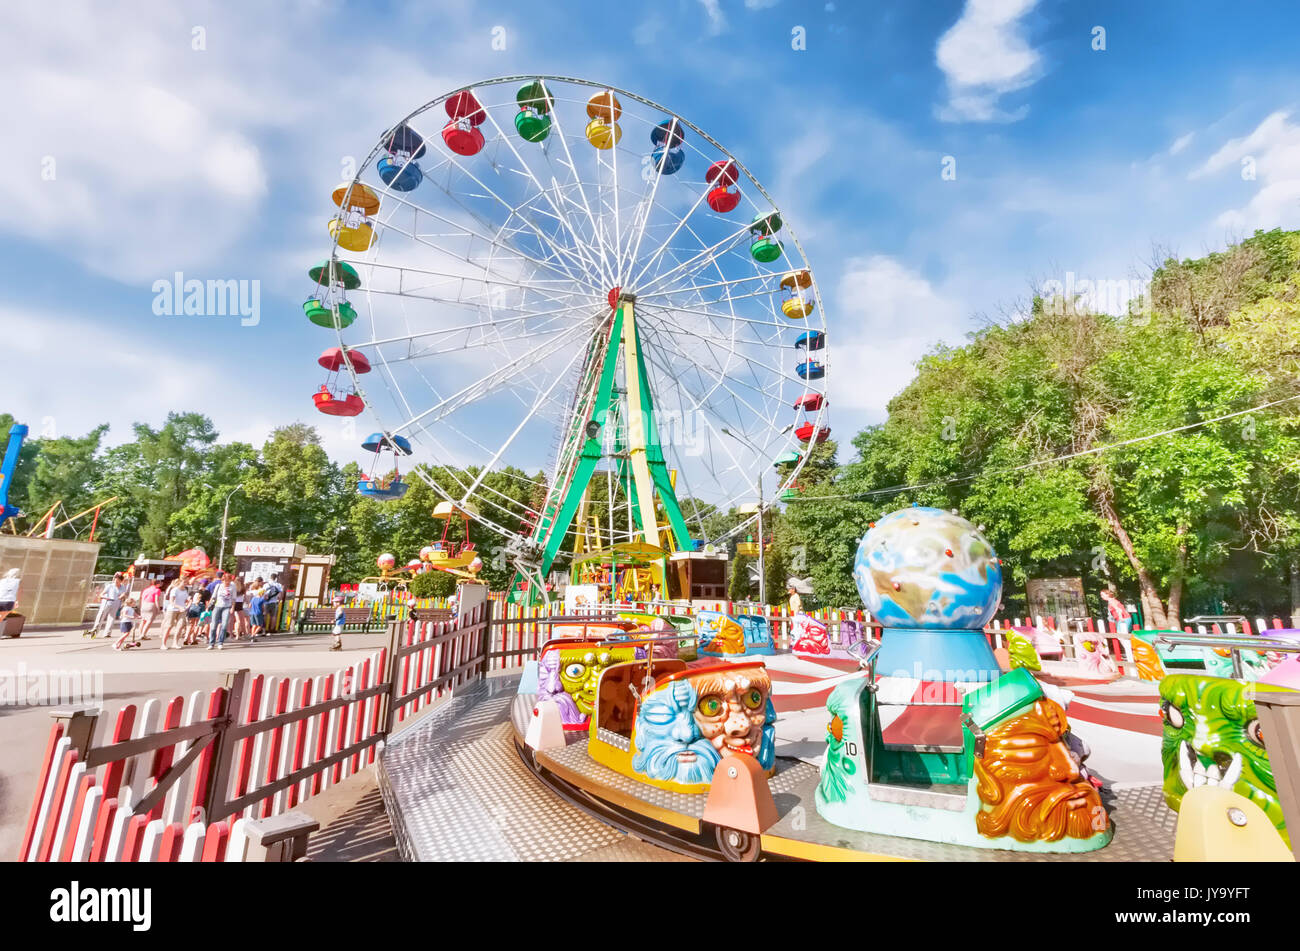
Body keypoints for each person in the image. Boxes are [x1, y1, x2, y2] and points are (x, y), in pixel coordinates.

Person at [89, 572, 127, 638]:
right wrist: (104, 597)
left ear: (121, 581)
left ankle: (107, 633)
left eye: (118, 580)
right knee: (100, 617)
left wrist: (123, 596)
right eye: (115, 580)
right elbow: (102, 594)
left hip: (116, 603)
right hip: (107, 602)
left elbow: (123, 594)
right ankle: (94, 632)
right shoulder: (110, 586)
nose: (116, 581)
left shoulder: (122, 587)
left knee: (111, 618)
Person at [207, 574, 235, 650]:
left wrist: (232, 607)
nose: (228, 582)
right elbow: (213, 596)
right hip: (217, 606)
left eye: (229, 580)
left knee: (224, 624)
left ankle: (220, 642)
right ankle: (211, 643)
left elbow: (233, 598)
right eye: (226, 580)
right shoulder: (219, 586)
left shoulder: (232, 587)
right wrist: (208, 606)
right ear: (223, 580)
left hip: (227, 606)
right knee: (213, 625)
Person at [161, 578, 189, 650]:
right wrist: (179, 607)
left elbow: (185, 600)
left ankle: (175, 643)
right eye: (184, 582)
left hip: (182, 610)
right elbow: (171, 602)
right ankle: (163, 644)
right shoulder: (175, 590)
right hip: (172, 610)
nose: (186, 583)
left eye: (186, 582)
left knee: (180, 626)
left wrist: (188, 602)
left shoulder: (185, 590)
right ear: (179, 583)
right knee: (169, 626)